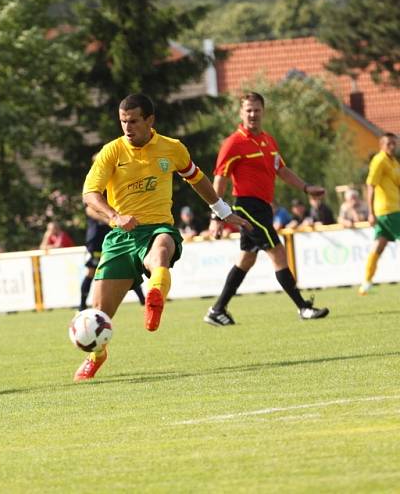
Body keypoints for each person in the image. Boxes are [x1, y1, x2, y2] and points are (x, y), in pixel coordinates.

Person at [76, 93, 251, 382]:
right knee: (98, 314)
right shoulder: (112, 152)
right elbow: (89, 194)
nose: (127, 128)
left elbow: (196, 178)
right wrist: (114, 216)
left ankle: (154, 300)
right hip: (121, 236)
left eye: (133, 121)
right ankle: (97, 354)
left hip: (157, 228)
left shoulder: (172, 149)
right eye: (123, 122)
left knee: (161, 252)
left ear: (150, 120)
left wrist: (221, 210)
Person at [204, 92, 330, 327]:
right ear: (241, 113)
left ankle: (217, 310)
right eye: (248, 110)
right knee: (278, 254)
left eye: (257, 109)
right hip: (247, 207)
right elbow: (219, 180)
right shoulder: (233, 143)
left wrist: (306, 187)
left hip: (263, 207)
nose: (253, 114)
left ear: (263, 111)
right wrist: (216, 216)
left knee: (246, 260)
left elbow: (282, 170)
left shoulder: (268, 140)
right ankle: (303, 307)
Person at [79, 205, 144, 311]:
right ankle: (82, 306)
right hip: (96, 241)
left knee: (126, 268)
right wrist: (111, 220)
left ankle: (143, 299)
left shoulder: (115, 197)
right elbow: (89, 209)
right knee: (91, 271)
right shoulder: (97, 195)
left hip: (111, 240)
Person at [359, 133, 399, 295]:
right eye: (388, 143)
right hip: (389, 210)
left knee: (378, 247)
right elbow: (370, 185)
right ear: (381, 145)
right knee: (378, 246)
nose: (392, 146)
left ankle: (366, 283)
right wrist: (370, 212)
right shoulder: (379, 160)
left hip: (391, 210)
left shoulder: (394, 162)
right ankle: (366, 282)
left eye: (394, 143)